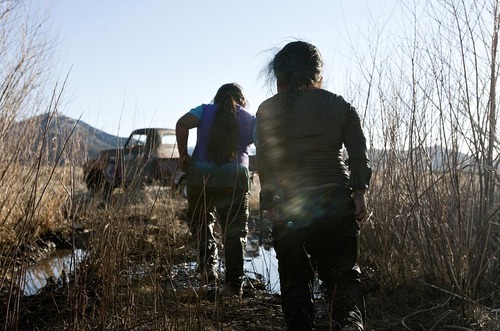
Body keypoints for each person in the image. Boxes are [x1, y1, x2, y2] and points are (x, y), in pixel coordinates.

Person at [255, 41, 372, 330]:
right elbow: (358, 156)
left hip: (293, 205)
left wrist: (270, 204)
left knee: (295, 281)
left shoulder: (267, 109)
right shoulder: (340, 105)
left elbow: (267, 164)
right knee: (343, 277)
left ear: (280, 75)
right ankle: (350, 324)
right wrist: (359, 195)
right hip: (336, 201)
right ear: (318, 73)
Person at [176, 83, 255, 297]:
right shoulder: (249, 118)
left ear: (217, 98)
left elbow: (182, 123)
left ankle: (208, 276)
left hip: (201, 177)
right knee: (234, 232)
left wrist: (184, 155)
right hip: (234, 179)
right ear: (242, 99)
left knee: (202, 226)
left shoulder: (204, 110)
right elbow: (265, 145)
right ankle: (232, 286)